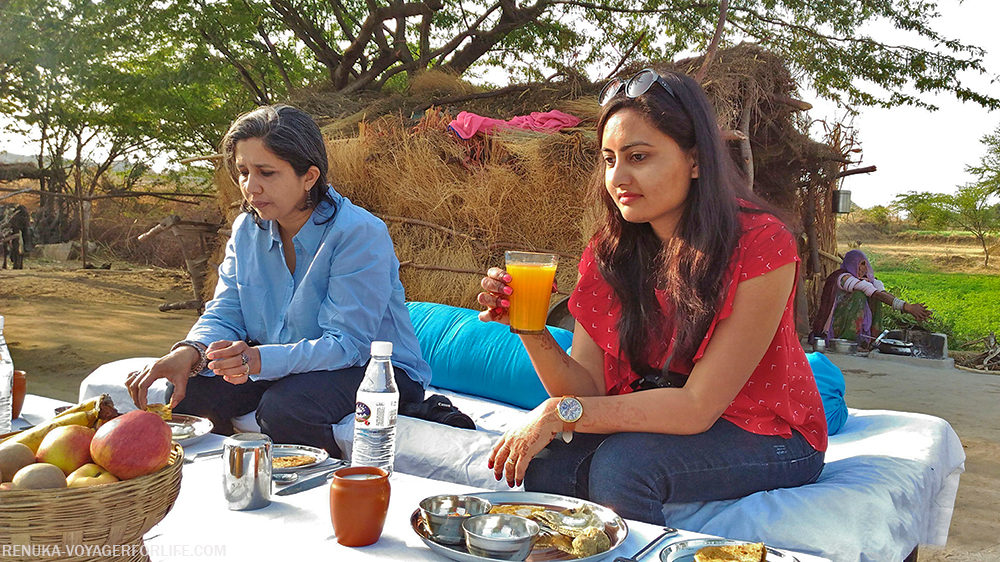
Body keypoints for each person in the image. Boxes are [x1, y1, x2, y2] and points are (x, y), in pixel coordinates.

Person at [477, 69, 827, 526]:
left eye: (638, 157)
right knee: (551, 462)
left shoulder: (762, 245)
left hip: (770, 431)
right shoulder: (610, 251)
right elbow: (587, 390)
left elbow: (698, 407)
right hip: (670, 413)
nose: (618, 177)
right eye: (608, 159)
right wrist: (529, 327)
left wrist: (558, 413)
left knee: (626, 465)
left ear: (696, 161)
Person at [126, 105, 430, 456]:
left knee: (286, 409)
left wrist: (258, 361)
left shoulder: (359, 234)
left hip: (374, 369)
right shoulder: (246, 230)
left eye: (266, 172)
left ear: (309, 176)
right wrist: (189, 353)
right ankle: (230, 484)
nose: (250, 187)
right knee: (191, 393)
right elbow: (227, 312)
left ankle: (329, 492)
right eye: (243, 172)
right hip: (288, 361)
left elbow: (347, 345)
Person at [812, 249, 931, 347]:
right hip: (836, 326)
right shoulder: (843, 278)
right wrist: (906, 307)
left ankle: (872, 340)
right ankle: (847, 340)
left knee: (878, 298)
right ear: (851, 264)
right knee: (859, 295)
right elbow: (871, 291)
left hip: (857, 320)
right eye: (859, 264)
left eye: (864, 264)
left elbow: (882, 293)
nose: (862, 268)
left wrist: (906, 306)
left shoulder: (870, 280)